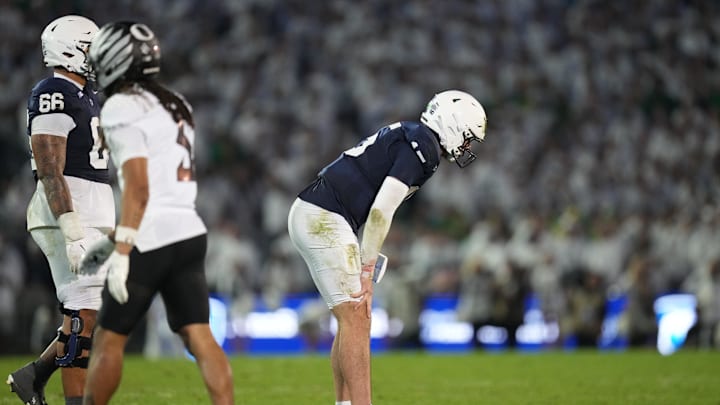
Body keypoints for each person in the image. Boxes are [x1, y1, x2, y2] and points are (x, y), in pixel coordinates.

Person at [287, 89, 487, 405]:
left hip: (318, 214)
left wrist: (366, 261)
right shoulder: (423, 145)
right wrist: (367, 268)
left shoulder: (415, 136)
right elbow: (381, 210)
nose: (465, 146)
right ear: (452, 123)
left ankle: (345, 403)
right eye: (467, 136)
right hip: (323, 216)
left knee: (350, 318)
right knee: (358, 316)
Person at [80, 21, 234, 405]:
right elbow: (164, 188)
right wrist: (114, 237)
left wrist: (125, 247)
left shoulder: (120, 106)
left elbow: (140, 186)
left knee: (109, 338)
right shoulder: (175, 102)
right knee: (199, 336)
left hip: (150, 236)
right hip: (188, 231)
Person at [7, 15, 114, 405]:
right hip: (69, 208)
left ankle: (32, 376)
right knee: (82, 315)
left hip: (93, 205)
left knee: (93, 315)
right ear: (70, 50)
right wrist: (72, 231)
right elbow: (51, 170)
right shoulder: (54, 90)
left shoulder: (87, 95)